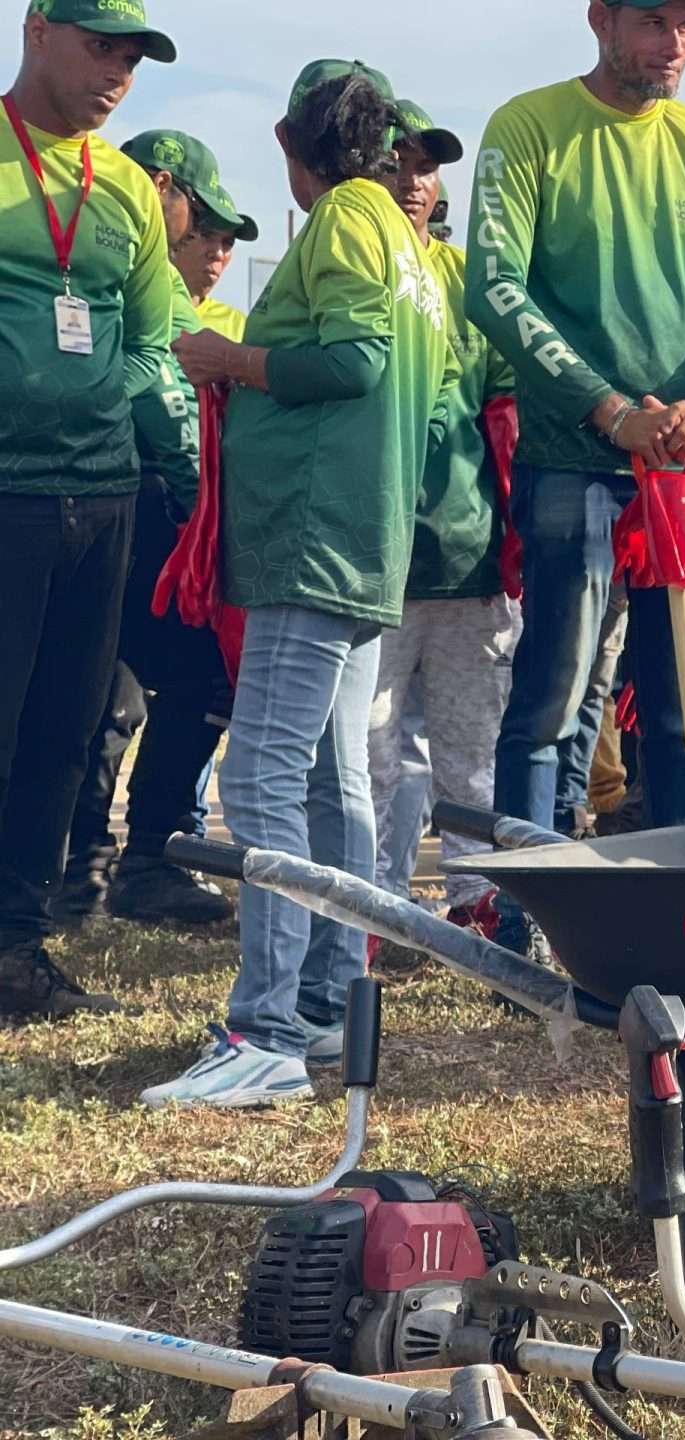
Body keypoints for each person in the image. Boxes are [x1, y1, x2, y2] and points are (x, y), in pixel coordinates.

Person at [143, 61, 455, 1107]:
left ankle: (264, 1029)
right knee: (334, 783)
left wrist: (231, 359)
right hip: (366, 533)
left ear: (291, 146)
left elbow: (353, 360)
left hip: (312, 534)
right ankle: (324, 1007)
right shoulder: (407, 241)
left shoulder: (342, 224)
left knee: (262, 781)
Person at [467, 0, 685, 929]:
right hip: (574, 458)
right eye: (649, 18)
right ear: (599, 18)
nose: (670, 40)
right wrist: (605, 407)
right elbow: (495, 286)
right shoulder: (531, 126)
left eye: (683, 22)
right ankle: (533, 920)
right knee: (555, 696)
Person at [0, 0, 175, 1020]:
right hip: (5, 491)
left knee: (66, 732)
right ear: (35, 29)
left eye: (133, 57)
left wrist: (161, 449)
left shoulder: (125, 189)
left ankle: (17, 950)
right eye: (99, 46)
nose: (117, 73)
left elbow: (154, 336)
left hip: (100, 493)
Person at [58, 130, 253, 928]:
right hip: (138, 501)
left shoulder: (96, 260)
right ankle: (142, 862)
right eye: (201, 224)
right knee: (191, 678)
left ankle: (79, 875)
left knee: (99, 697)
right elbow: (167, 407)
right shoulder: (144, 279)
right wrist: (202, 499)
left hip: (85, 496)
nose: (209, 246)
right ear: (163, 186)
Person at [364, 102, 518, 937]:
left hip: (465, 556)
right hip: (374, 563)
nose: (413, 182)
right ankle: (376, 905)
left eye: (426, 167)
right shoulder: (351, 267)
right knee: (373, 754)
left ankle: (475, 901)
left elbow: (503, 409)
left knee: (469, 752)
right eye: (397, 164)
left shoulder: (465, 282)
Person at [171, 176, 257, 341]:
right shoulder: (141, 306)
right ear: (180, 230)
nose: (218, 253)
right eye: (207, 235)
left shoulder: (239, 327)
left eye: (228, 243)